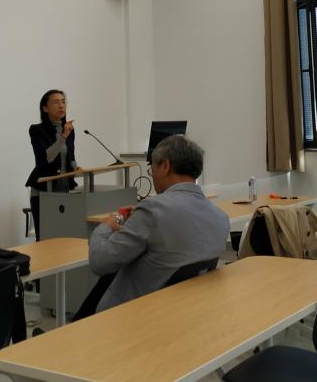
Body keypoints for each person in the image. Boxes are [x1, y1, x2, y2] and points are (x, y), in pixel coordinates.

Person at [87, 135, 230, 313]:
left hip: (131, 314)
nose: (152, 175)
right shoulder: (221, 218)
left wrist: (106, 226)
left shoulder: (153, 210)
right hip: (183, 311)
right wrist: (137, 222)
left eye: (152, 169)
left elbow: (99, 262)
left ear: (165, 166)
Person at [25, 89, 78, 240]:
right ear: (45, 108)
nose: (61, 105)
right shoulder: (37, 130)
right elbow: (46, 157)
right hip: (43, 191)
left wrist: (76, 167)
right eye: (56, 102)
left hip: (64, 190)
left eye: (63, 102)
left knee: (64, 237)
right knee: (45, 238)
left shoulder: (69, 129)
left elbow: (70, 155)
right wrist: (63, 136)